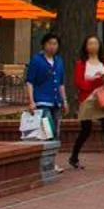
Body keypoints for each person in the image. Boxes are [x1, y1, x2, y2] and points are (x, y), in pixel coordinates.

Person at [68, 35, 104, 173]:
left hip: (103, 98)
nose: (92, 46)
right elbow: (80, 83)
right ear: (85, 47)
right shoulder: (81, 63)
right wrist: (96, 81)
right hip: (87, 100)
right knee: (86, 130)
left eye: (95, 44)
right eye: (90, 44)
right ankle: (74, 157)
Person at [24, 33, 67, 162]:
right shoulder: (37, 60)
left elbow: (61, 83)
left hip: (55, 102)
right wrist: (31, 101)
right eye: (49, 43)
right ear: (44, 45)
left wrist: (64, 100)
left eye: (55, 44)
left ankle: (51, 160)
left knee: (55, 132)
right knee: (48, 131)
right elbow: (30, 81)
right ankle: (48, 162)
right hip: (42, 101)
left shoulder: (59, 61)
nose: (52, 47)